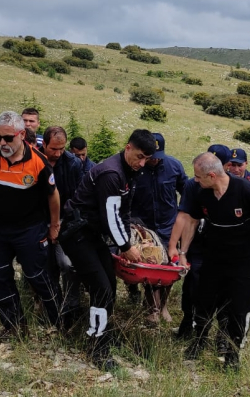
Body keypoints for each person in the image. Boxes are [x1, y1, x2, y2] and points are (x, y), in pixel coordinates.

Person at [181, 152, 250, 370]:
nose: (195, 180)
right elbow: (191, 220)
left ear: (212, 175)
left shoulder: (246, 190)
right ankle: (198, 342)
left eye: (198, 176)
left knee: (239, 307)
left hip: (244, 259)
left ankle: (233, 352)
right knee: (204, 301)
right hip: (213, 256)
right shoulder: (201, 192)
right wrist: (183, 251)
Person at [60, 129, 156, 370]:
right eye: (140, 156)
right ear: (128, 148)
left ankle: (101, 332)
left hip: (94, 235)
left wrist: (129, 240)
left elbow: (124, 212)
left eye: (147, 159)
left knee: (109, 287)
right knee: (101, 288)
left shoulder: (129, 171)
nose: (142, 163)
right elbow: (110, 215)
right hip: (78, 233)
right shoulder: (112, 173)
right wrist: (126, 246)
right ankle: (96, 345)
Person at [0, 111, 63, 340]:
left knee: (37, 275)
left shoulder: (38, 162)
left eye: (8, 138)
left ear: (21, 135)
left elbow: (53, 196)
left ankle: (59, 321)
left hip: (29, 229)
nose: (2, 142)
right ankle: (13, 326)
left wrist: (53, 226)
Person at [168, 144, 232, 339]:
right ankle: (188, 325)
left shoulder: (235, 187)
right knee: (192, 286)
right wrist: (176, 248)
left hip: (224, 249)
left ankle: (223, 334)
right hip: (198, 244)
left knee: (223, 290)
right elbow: (186, 217)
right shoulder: (192, 185)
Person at [130, 133, 187, 323]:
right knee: (150, 267)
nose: (153, 160)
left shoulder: (174, 166)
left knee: (169, 268)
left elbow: (185, 193)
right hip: (145, 227)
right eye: (150, 156)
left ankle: (163, 306)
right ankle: (151, 309)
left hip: (168, 226)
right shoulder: (136, 168)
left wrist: (182, 216)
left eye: (157, 156)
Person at [41, 126, 85, 329]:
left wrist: (60, 224)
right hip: (38, 222)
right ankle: (47, 305)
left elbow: (77, 197)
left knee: (68, 265)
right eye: (53, 149)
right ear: (44, 144)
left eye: (61, 149)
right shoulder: (35, 160)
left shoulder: (73, 163)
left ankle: (71, 307)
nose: (57, 154)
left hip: (65, 224)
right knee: (44, 266)